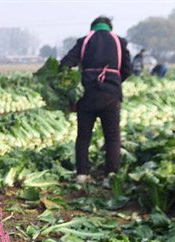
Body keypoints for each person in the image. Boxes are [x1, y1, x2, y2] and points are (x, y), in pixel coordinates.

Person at [60, 16, 132, 186]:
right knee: (112, 137)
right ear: (109, 28)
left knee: (83, 136)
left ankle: (82, 175)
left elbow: (65, 64)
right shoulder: (119, 42)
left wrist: (71, 83)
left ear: (92, 28)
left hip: (86, 95)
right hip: (111, 95)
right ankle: (110, 177)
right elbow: (127, 69)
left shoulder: (84, 41)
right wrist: (114, 81)